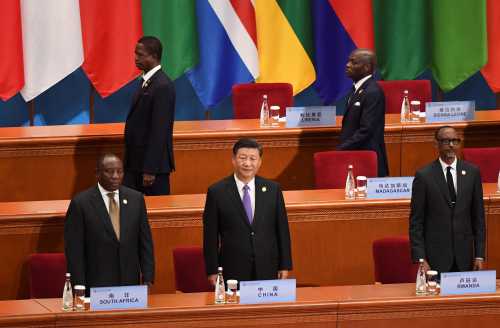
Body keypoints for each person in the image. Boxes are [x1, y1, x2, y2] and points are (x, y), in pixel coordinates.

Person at [203, 138, 292, 285]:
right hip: (232, 268)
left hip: (267, 266)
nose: (247, 163)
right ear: (233, 160)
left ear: (260, 162)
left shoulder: (273, 190)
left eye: (253, 158)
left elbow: (282, 230)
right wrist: (212, 270)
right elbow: (210, 236)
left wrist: (285, 264)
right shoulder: (217, 191)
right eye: (242, 158)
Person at [64, 153, 155, 293]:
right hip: (96, 284)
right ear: (97, 174)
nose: (115, 176)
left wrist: (148, 276)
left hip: (129, 283)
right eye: (109, 171)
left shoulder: (136, 199)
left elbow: (145, 242)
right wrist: (78, 284)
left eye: (119, 171)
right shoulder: (81, 203)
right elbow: (75, 250)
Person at [409, 126, 485, 274]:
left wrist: (480, 255)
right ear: (436, 144)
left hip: (465, 258)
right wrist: (421, 259)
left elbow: (479, 219)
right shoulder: (424, 176)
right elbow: (416, 222)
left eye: (455, 141)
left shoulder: (472, 173)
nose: (451, 145)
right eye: (446, 141)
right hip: (435, 260)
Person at [124, 36, 175, 195]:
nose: (136, 58)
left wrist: (150, 169)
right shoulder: (147, 81)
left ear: (153, 57)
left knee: (157, 213)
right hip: (136, 163)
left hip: (151, 169)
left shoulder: (162, 86)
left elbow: (159, 131)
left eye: (140, 54)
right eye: (135, 53)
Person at [338, 48, 389, 177]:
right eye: (349, 61)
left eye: (354, 62)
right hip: (356, 153)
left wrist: (341, 149)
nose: (347, 65)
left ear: (366, 68)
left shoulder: (372, 92)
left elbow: (366, 130)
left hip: (367, 157)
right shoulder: (357, 88)